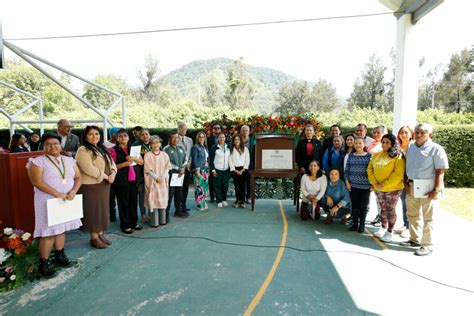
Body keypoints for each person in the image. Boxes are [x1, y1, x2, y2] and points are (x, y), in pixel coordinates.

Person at [27, 133, 82, 278]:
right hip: (47, 201)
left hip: (66, 199)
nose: (53, 147)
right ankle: (43, 263)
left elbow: (78, 178)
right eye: (48, 144)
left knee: (61, 229)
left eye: (56, 143)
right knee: (48, 232)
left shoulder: (69, 160)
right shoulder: (38, 162)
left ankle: (59, 255)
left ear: (61, 145)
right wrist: (57, 193)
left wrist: (73, 191)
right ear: (43, 146)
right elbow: (37, 182)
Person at [402, 123, 449, 256]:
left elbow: (440, 171)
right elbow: (407, 166)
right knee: (412, 214)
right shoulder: (410, 148)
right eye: (417, 132)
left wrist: (436, 189)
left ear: (430, 134)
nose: (419, 135)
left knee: (429, 217)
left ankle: (427, 245)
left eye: (423, 132)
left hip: (428, 186)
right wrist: (405, 181)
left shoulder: (436, 149)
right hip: (412, 185)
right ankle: (414, 239)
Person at [76, 125, 117, 249]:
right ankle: (94, 237)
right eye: (91, 134)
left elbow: (112, 164)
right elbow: (87, 168)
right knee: (93, 211)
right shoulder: (83, 150)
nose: (94, 136)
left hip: (103, 185)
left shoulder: (101, 148)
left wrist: (113, 174)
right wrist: (105, 175)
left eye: (97, 134)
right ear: (85, 136)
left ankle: (100, 234)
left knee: (102, 210)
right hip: (90, 186)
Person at [368, 134, 405, 243]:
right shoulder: (377, 154)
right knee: (382, 209)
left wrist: (384, 184)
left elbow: (398, 174)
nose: (384, 144)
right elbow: (370, 168)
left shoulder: (398, 156)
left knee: (390, 210)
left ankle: (390, 232)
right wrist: (374, 182)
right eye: (383, 142)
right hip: (378, 188)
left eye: (387, 142)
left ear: (393, 144)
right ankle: (383, 227)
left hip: (392, 189)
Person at [110, 129, 143, 234]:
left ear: (128, 137)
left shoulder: (134, 149)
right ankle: (125, 225)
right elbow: (112, 166)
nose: (123, 138)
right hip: (121, 181)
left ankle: (134, 222)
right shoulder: (112, 150)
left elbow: (141, 162)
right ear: (117, 138)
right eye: (120, 136)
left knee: (133, 202)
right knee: (123, 203)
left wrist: (135, 159)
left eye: (125, 135)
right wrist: (125, 163)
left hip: (134, 180)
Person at [345, 137, 372, 233]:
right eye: (356, 143)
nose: (357, 145)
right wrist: (347, 182)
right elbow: (346, 170)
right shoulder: (351, 156)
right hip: (353, 185)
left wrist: (372, 184)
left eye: (360, 143)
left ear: (364, 144)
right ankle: (355, 224)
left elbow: (372, 171)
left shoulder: (369, 156)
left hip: (365, 186)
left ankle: (362, 224)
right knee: (355, 205)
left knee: (363, 206)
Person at [144, 135, 171, 224]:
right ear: (150, 144)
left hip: (162, 182)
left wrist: (162, 177)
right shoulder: (148, 155)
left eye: (157, 142)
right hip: (153, 182)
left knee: (162, 201)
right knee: (154, 201)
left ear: (160, 143)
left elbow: (167, 167)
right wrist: (156, 178)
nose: (155, 144)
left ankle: (162, 220)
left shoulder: (164, 155)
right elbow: (147, 169)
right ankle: (154, 221)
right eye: (153, 143)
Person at [394, 125, 414, 237]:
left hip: (409, 180)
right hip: (400, 180)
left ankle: (410, 227)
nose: (403, 134)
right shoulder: (398, 147)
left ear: (411, 134)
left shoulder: (413, 147)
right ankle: (405, 224)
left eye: (406, 132)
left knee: (409, 204)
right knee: (403, 202)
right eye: (401, 132)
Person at [164, 131, 188, 219]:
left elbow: (186, 159)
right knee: (169, 195)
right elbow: (167, 162)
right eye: (173, 137)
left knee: (179, 193)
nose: (175, 139)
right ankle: (165, 214)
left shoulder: (181, 148)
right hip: (171, 174)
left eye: (177, 137)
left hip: (180, 174)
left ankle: (178, 211)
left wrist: (183, 167)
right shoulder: (166, 149)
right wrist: (178, 168)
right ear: (169, 139)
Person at [133, 129, 151, 223]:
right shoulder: (136, 145)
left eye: (146, 134)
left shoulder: (153, 143)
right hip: (141, 174)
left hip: (152, 175)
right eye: (142, 134)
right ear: (140, 136)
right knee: (142, 195)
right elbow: (134, 161)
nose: (145, 136)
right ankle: (143, 214)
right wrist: (138, 177)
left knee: (151, 194)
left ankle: (150, 213)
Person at [228, 134, 250, 208]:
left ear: (240, 141)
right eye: (235, 140)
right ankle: (238, 200)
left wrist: (243, 169)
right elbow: (230, 161)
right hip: (235, 170)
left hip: (243, 169)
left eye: (238, 139)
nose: (237, 141)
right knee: (237, 186)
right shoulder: (230, 150)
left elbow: (247, 160)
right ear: (233, 141)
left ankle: (242, 201)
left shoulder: (245, 149)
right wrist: (235, 170)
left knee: (243, 186)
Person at [209, 132, 230, 208]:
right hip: (217, 170)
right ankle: (219, 201)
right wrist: (213, 170)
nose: (222, 139)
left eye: (223, 137)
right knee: (217, 186)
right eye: (220, 137)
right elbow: (211, 160)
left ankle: (224, 200)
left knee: (225, 186)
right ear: (218, 138)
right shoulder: (214, 147)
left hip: (226, 170)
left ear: (225, 138)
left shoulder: (228, 147)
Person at [191, 131, 210, 211]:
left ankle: (204, 202)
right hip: (199, 170)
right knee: (199, 188)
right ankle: (199, 204)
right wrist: (197, 171)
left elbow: (207, 159)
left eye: (203, 137)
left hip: (205, 170)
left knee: (205, 188)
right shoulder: (195, 147)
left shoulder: (205, 147)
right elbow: (194, 160)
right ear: (197, 138)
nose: (201, 138)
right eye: (200, 137)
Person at [106, 126, 121, 222]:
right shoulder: (105, 145)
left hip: (120, 175)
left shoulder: (122, 145)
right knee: (111, 197)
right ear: (113, 135)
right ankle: (112, 214)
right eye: (119, 134)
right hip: (110, 175)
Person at [177, 122, 193, 212]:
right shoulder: (175, 139)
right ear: (178, 129)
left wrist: (190, 162)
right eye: (182, 129)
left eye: (185, 129)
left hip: (187, 168)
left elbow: (190, 153)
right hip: (179, 168)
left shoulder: (190, 140)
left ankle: (184, 205)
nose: (184, 130)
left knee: (185, 187)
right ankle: (178, 206)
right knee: (179, 188)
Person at [240, 125, 256, 204]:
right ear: (241, 132)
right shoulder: (238, 140)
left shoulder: (252, 141)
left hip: (250, 163)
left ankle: (249, 197)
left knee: (249, 181)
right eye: (243, 130)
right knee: (241, 181)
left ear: (249, 132)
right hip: (240, 163)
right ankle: (241, 198)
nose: (245, 132)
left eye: (246, 130)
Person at [207, 123, 221, 203]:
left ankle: (219, 195)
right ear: (212, 129)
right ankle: (212, 197)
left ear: (220, 129)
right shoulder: (209, 139)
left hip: (220, 161)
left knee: (218, 179)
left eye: (218, 128)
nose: (217, 129)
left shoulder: (223, 138)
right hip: (211, 160)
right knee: (211, 180)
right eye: (215, 128)